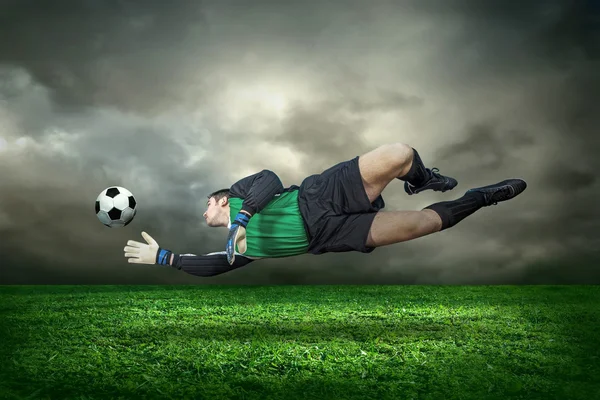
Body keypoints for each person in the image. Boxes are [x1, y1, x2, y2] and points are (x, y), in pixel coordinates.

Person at [123, 143, 526, 277]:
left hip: (317, 197)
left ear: (222, 199)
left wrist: (243, 218)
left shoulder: (243, 194)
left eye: (207, 204)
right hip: (328, 238)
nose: (204, 212)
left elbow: (270, 180)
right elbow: (209, 266)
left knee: (401, 154)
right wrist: (164, 258)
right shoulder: (239, 251)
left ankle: (419, 178)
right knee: (424, 223)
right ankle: (481, 197)